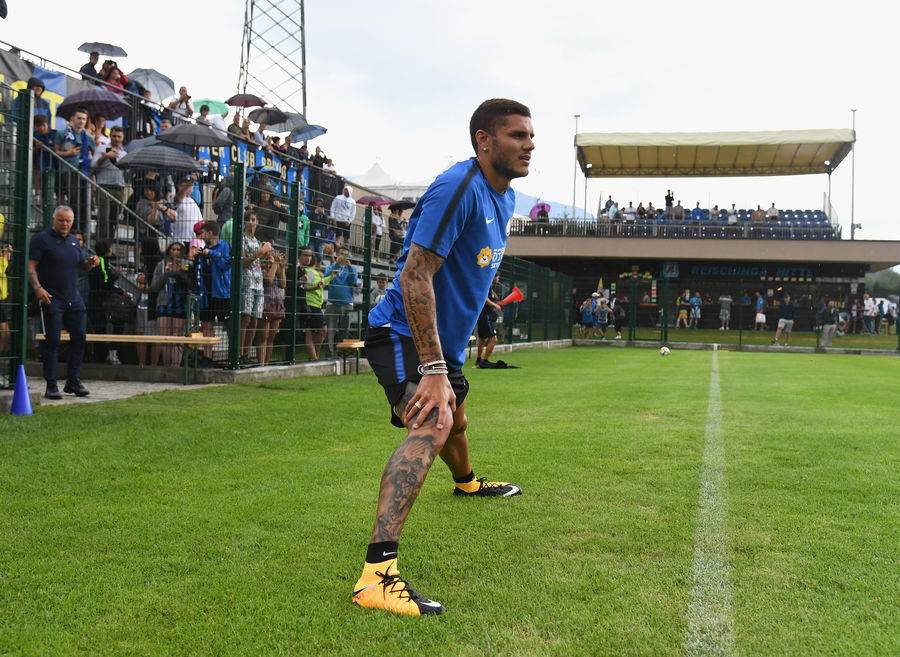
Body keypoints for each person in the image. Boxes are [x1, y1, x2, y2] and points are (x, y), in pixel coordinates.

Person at [354, 99, 531, 617]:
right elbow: (415, 274)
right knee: (436, 421)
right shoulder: (460, 187)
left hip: (443, 345)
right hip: (400, 333)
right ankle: (376, 577)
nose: (529, 145)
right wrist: (433, 371)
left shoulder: (505, 197)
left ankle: (467, 483)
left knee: (458, 420)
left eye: (530, 136)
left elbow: (469, 267)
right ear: (484, 141)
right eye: (517, 135)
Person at [28, 206, 100, 399]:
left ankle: (73, 381)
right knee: (52, 341)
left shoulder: (74, 242)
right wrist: (38, 288)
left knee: (80, 338)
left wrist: (91, 263)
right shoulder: (41, 239)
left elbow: (81, 267)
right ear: (54, 219)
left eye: (68, 221)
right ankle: (51, 384)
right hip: (51, 298)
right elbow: (31, 266)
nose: (65, 224)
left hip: (73, 299)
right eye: (61, 220)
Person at [194, 221, 231, 363]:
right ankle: (207, 357)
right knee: (207, 324)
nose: (201, 236)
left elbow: (225, 264)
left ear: (210, 233)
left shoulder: (225, 246)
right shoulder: (204, 249)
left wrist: (211, 253)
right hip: (206, 293)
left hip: (221, 292)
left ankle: (234, 354)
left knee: (227, 323)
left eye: (203, 233)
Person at [150, 242, 192, 366]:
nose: (176, 252)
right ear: (169, 250)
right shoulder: (160, 265)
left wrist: (181, 272)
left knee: (177, 340)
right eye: (174, 249)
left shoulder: (187, 265)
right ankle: (167, 368)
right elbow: (154, 286)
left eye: (179, 249)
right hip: (164, 305)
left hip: (181, 306)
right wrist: (166, 273)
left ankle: (175, 368)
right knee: (165, 339)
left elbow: (192, 285)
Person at [239, 213, 272, 365]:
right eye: (248, 220)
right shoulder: (241, 239)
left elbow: (258, 264)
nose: (250, 222)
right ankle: (239, 353)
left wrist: (270, 261)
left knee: (254, 320)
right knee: (245, 319)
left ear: (257, 222)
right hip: (246, 283)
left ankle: (246, 354)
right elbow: (243, 263)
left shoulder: (257, 241)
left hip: (259, 284)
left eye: (253, 220)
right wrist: (261, 252)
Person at [91, 126, 129, 242]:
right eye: (114, 136)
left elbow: (127, 172)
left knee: (114, 220)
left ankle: (109, 245)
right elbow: (93, 165)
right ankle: (100, 244)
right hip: (104, 186)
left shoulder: (124, 153)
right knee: (103, 218)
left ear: (123, 138)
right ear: (110, 136)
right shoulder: (101, 148)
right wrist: (106, 156)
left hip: (119, 188)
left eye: (119, 137)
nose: (116, 139)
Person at [323, 246, 358, 359]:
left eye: (346, 254)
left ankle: (341, 354)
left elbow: (353, 281)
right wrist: (335, 264)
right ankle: (328, 355)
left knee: (345, 331)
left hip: (347, 303)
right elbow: (325, 278)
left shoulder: (352, 268)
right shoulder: (331, 267)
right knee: (330, 331)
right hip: (332, 303)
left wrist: (349, 266)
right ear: (337, 254)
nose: (343, 256)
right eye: (341, 254)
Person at [297, 246, 331, 360]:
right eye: (305, 255)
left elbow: (319, 284)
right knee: (319, 329)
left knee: (312, 330)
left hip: (315, 304)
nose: (308, 258)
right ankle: (314, 357)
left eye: (310, 256)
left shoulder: (313, 271)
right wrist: (316, 285)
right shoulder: (307, 271)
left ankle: (314, 357)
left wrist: (330, 277)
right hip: (309, 304)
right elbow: (306, 286)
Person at [257, 250, 286, 364]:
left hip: (277, 303)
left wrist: (281, 267)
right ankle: (261, 363)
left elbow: (283, 284)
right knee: (263, 336)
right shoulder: (260, 266)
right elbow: (269, 280)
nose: (272, 254)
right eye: (270, 252)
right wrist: (275, 264)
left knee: (271, 337)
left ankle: (267, 363)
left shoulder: (275, 266)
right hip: (265, 303)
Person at [474, 272, 502, 368]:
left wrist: (496, 299)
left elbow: (490, 296)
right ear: (493, 277)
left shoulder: (488, 287)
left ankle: (478, 360)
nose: (498, 279)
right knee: (494, 339)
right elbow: (484, 299)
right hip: (485, 315)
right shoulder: (487, 286)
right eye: (497, 277)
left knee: (483, 339)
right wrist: (495, 305)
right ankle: (485, 361)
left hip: (482, 315)